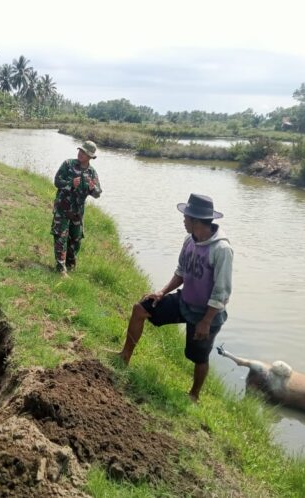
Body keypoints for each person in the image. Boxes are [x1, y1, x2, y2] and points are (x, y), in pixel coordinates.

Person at [117, 194, 233, 402]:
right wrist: (162, 292)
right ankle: (124, 356)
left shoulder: (221, 249)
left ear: (196, 221)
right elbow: (181, 272)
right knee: (140, 309)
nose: (183, 221)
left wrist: (206, 321)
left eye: (186, 217)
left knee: (199, 355)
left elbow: (222, 291)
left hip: (206, 312)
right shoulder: (190, 240)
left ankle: (194, 395)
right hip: (184, 300)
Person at [51, 140, 102, 275]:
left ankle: (71, 266)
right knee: (61, 237)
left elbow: (98, 193)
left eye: (84, 153)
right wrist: (70, 183)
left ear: (90, 157)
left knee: (76, 240)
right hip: (62, 209)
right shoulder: (68, 164)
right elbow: (57, 181)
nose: (80, 154)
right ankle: (61, 269)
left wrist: (93, 188)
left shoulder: (92, 173)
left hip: (77, 213)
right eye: (80, 151)